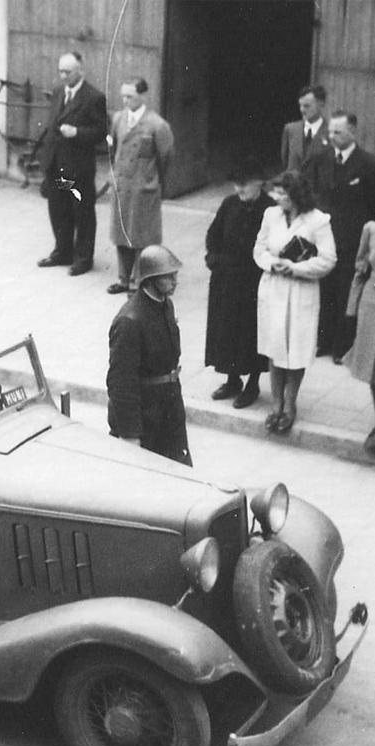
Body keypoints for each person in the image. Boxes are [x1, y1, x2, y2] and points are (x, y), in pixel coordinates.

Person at [253, 170, 337, 434]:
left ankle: (290, 405)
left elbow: (328, 259)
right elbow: (259, 249)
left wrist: (296, 268)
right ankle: (276, 404)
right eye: (276, 192)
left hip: (301, 291)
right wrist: (272, 264)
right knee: (275, 346)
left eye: (282, 193)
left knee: (296, 348)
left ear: (296, 195)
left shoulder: (318, 221)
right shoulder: (271, 215)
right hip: (274, 287)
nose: (277, 197)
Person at [302, 110, 375, 360]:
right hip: (325, 238)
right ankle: (323, 341)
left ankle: (342, 346)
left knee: (346, 291)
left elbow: (373, 205)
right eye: (331, 132)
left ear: (353, 131)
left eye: (338, 132)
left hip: (352, 240)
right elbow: (312, 190)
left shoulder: (370, 164)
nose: (332, 136)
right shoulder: (321, 158)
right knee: (324, 289)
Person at [106, 245, 192, 465]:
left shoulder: (165, 305)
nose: (175, 281)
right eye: (168, 277)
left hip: (169, 408)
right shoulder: (129, 321)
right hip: (146, 418)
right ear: (150, 279)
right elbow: (121, 383)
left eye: (175, 275)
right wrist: (130, 434)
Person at [203, 157, 274, 409]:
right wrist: (213, 260)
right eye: (236, 184)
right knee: (227, 330)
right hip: (227, 279)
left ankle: (252, 384)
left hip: (255, 282)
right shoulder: (229, 204)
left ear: (259, 183)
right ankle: (232, 380)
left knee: (251, 332)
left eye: (244, 184)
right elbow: (213, 234)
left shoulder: (270, 209)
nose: (239, 189)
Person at [36, 52, 108, 277]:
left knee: (82, 212)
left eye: (68, 72)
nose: (64, 75)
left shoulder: (94, 97)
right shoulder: (58, 91)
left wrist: (77, 132)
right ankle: (62, 252)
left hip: (78, 167)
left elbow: (101, 132)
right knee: (58, 209)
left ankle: (83, 258)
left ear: (81, 71)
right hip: (56, 164)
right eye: (61, 71)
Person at [107, 78, 175, 295]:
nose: (126, 101)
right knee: (121, 233)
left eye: (131, 96)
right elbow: (115, 149)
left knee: (141, 237)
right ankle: (123, 278)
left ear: (143, 96)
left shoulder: (157, 124)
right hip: (123, 186)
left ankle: (140, 280)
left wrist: (151, 180)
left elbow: (166, 157)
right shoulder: (118, 119)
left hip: (143, 189)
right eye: (123, 96)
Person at [342, 191, 375, 453]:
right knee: (373, 367)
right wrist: (353, 307)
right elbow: (360, 268)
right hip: (374, 303)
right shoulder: (371, 229)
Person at [280, 85, 329, 172]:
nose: (302, 110)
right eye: (300, 105)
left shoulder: (331, 133)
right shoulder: (290, 129)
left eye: (307, 106)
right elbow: (285, 163)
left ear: (321, 104)